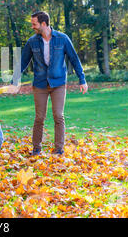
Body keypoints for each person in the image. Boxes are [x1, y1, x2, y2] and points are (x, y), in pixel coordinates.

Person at [14, 11, 88, 156]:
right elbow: (23, 62)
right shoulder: (32, 41)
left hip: (58, 83)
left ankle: (59, 150)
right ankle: (36, 149)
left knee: (58, 116)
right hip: (40, 84)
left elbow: (74, 58)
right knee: (39, 117)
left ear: (43, 24)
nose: (32, 27)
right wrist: (15, 80)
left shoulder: (62, 39)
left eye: (34, 24)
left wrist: (82, 79)